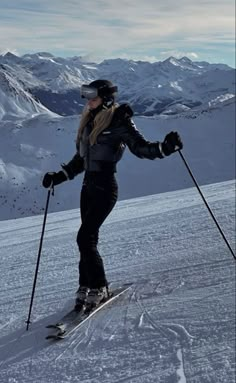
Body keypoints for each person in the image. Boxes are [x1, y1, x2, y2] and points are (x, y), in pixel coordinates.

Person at [42, 79, 183, 309]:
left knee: (84, 238)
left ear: (106, 98)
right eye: (87, 96)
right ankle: (85, 284)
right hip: (87, 188)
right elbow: (81, 159)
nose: (89, 101)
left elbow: (140, 147)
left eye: (93, 96)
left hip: (106, 188)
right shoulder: (89, 121)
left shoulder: (119, 120)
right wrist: (58, 176)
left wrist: (164, 148)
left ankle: (100, 286)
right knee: (88, 240)